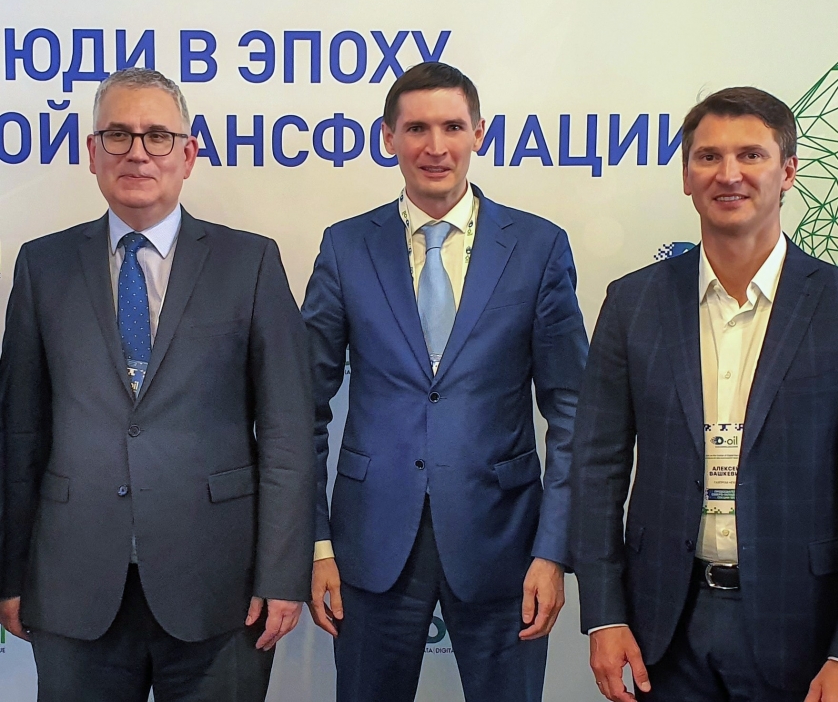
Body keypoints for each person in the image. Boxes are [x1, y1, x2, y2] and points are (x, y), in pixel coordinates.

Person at [571, 86, 838, 702]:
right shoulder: (632, 303)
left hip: (805, 632)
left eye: (751, 155)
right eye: (708, 157)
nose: (729, 174)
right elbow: (596, 468)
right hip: (663, 629)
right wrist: (604, 614)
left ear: (788, 172)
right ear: (686, 178)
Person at [0, 67, 317, 702]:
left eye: (158, 136)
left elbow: (287, 431)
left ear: (188, 154)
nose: (138, 152)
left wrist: (283, 574)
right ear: (92, 153)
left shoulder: (250, 262)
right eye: (117, 135)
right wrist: (10, 572)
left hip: (220, 586)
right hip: (74, 585)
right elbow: (20, 433)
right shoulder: (42, 265)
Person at [301, 61, 588, 702]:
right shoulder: (346, 247)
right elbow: (302, 409)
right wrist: (317, 544)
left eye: (453, 127)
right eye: (417, 129)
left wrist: (552, 551)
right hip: (370, 547)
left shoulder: (538, 246)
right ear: (388, 137)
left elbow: (572, 412)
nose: (436, 147)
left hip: (506, 546)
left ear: (479, 133)